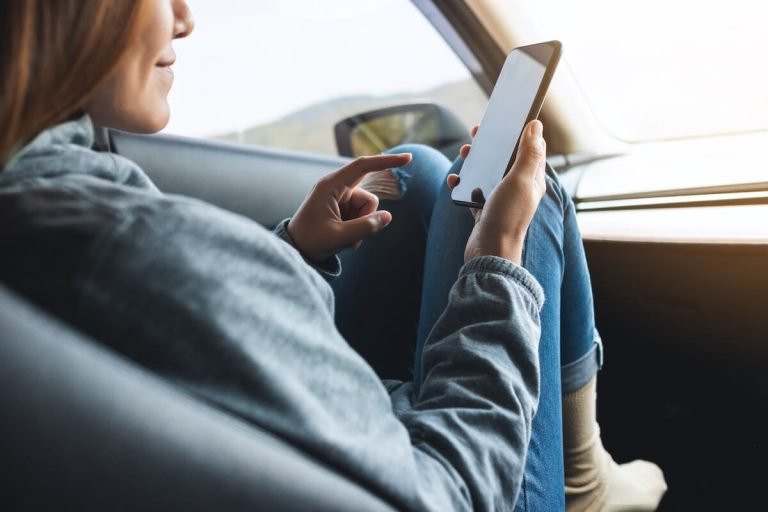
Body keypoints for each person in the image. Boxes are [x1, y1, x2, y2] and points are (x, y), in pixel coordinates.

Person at [0, 1, 666, 510]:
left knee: (417, 175)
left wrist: (291, 249)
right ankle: (582, 482)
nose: (185, 18)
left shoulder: (42, 212)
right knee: (532, 197)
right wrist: (497, 263)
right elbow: (454, 494)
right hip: (453, 486)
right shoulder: (133, 243)